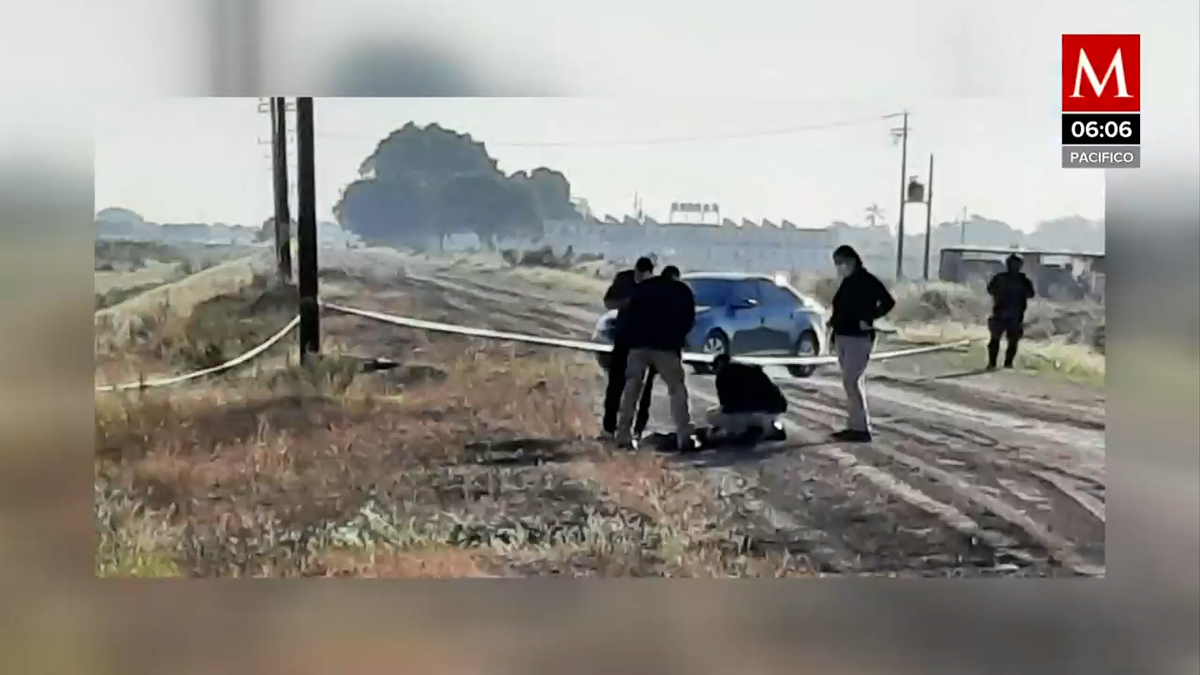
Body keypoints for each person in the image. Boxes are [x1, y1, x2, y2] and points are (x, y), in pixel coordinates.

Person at [614, 265, 696, 451]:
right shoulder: (681, 291)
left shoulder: (644, 288)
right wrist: (678, 339)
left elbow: (629, 314)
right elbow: (688, 320)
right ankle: (684, 436)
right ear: (675, 276)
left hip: (638, 346)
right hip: (666, 347)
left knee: (631, 389)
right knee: (676, 389)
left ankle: (623, 435)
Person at [827, 245, 895, 443]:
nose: (839, 267)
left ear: (852, 261)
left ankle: (861, 429)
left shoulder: (867, 281)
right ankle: (854, 425)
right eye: (836, 263)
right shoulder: (847, 283)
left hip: (859, 338)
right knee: (851, 383)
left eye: (841, 262)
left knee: (851, 381)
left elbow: (888, 302)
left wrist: (869, 317)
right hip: (843, 336)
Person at [600, 256, 657, 437]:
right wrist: (629, 302)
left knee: (642, 388)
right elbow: (608, 302)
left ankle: (636, 430)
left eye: (644, 277)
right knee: (616, 384)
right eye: (638, 276)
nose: (640, 280)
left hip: (646, 342)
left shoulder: (657, 286)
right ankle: (608, 428)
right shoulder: (624, 279)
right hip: (624, 339)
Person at [703, 353, 787, 445]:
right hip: (773, 411)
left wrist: (717, 428)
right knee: (757, 414)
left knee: (711, 415)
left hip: (747, 413)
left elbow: (727, 404)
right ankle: (769, 429)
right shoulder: (752, 368)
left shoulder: (723, 375)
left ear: (719, 364)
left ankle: (742, 431)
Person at [986, 254, 1036, 370]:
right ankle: (998, 364)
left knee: (1007, 340)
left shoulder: (1017, 280)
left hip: (1010, 314)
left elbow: (1030, 294)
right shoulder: (1019, 280)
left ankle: (1001, 364)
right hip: (1006, 313)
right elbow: (1030, 294)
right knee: (1000, 340)